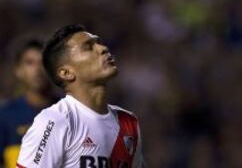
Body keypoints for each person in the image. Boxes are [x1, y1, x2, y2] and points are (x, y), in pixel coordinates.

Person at [16, 24, 144, 168]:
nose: (103, 48)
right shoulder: (55, 121)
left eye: (99, 43)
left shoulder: (129, 121)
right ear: (66, 73)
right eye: (88, 47)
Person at [0, 37, 58, 168]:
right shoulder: (4, 116)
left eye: (43, 63)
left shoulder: (70, 112)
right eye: (30, 63)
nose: (38, 69)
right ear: (18, 70)